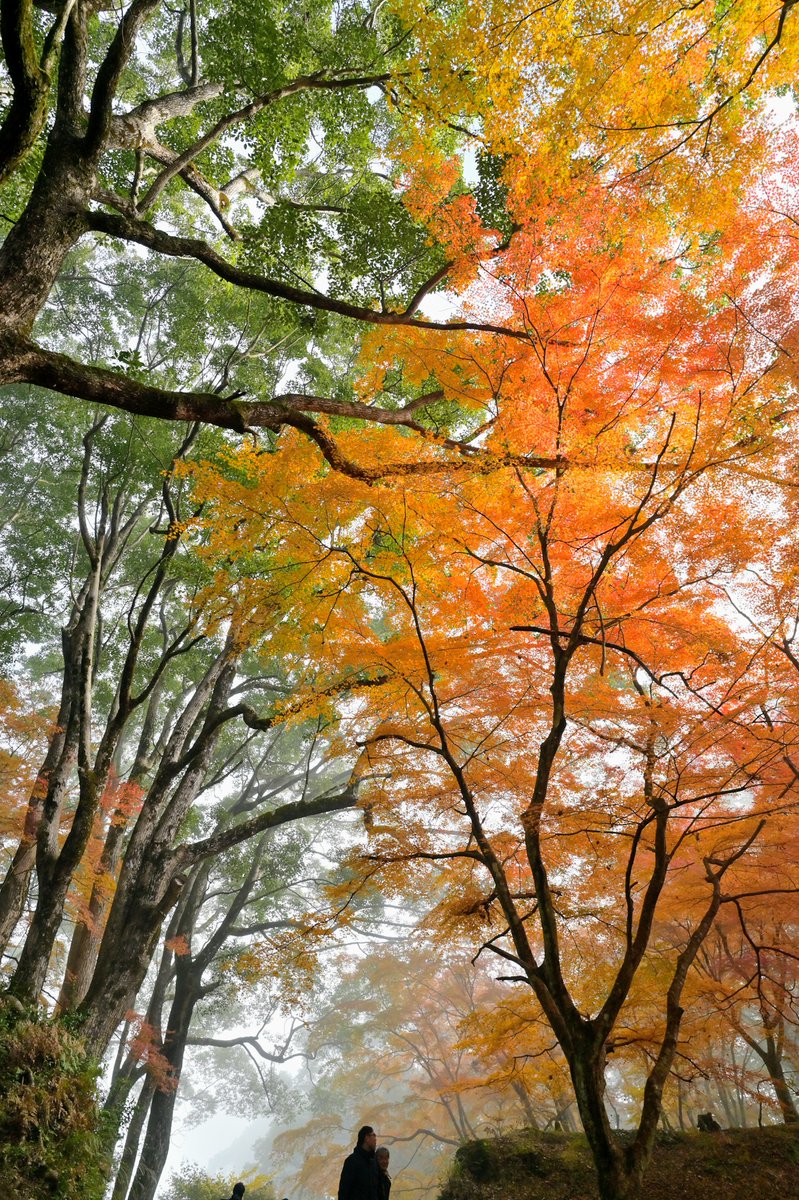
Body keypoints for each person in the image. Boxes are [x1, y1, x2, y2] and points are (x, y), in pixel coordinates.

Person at [338, 1125, 379, 1200]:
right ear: (367, 1138)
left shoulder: (374, 1163)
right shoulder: (351, 1161)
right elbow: (343, 1191)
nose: (375, 1139)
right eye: (374, 1135)